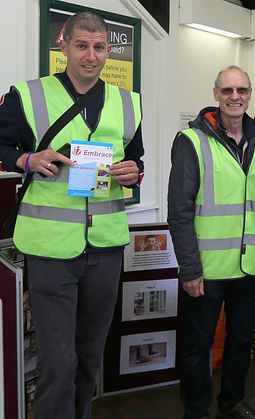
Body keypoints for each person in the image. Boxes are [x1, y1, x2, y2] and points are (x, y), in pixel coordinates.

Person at [0, 11, 143, 419]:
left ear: (109, 50)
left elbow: (136, 160)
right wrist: (25, 158)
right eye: (82, 45)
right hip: (50, 249)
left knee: (88, 359)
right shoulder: (27, 95)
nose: (91, 56)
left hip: (106, 247)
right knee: (58, 364)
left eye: (99, 47)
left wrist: (134, 173)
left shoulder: (128, 103)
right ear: (62, 45)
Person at [168, 65, 255, 419]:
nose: (235, 97)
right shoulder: (192, 141)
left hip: (250, 265)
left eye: (242, 90)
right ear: (216, 94)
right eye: (228, 90)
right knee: (198, 346)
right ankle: (197, 410)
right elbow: (179, 210)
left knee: (241, 341)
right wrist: (189, 267)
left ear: (250, 94)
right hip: (207, 268)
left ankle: (231, 401)